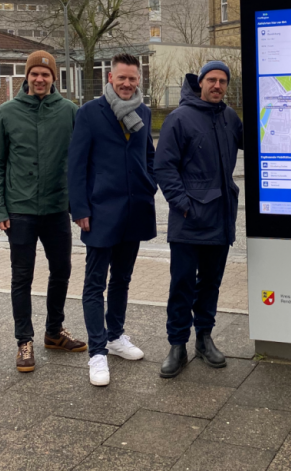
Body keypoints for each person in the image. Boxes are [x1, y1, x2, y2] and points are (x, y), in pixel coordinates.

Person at [0, 50, 86, 372]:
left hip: (57, 208)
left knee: (62, 271)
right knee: (22, 277)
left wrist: (79, 205)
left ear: (54, 78)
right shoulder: (7, 113)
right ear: (26, 77)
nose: (39, 79)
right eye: (34, 74)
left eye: (46, 74)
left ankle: (54, 332)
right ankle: (23, 340)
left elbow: (82, 161)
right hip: (21, 210)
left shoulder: (69, 112)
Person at [67, 53, 157, 386]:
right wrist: (80, 209)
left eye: (133, 79)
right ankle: (97, 351)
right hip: (100, 212)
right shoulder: (89, 113)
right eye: (122, 78)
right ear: (110, 77)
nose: (127, 83)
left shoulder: (143, 112)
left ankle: (116, 336)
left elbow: (149, 154)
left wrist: (150, 185)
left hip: (134, 210)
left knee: (122, 278)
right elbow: (76, 165)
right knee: (94, 283)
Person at [154, 61, 243, 378]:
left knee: (210, 284)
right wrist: (183, 204)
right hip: (188, 221)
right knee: (181, 285)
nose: (217, 86)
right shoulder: (179, 118)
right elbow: (164, 167)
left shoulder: (231, 119)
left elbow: (260, 144)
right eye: (212, 80)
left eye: (222, 81)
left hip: (220, 219)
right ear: (200, 82)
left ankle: (204, 338)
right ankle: (177, 345)